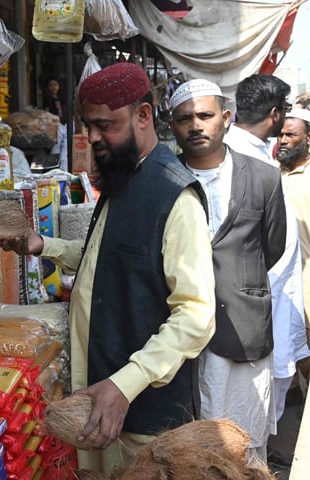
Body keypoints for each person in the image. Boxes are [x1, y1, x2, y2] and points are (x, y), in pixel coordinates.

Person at [0, 62, 216, 474]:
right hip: (99, 405)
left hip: (142, 423)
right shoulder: (124, 176)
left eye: (105, 125)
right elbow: (111, 258)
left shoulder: (175, 197)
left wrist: (124, 384)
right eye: (88, 125)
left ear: (143, 116)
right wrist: (44, 245)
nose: (93, 137)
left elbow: (196, 316)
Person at [169, 79, 287, 463]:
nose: (195, 125)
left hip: (243, 328)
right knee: (189, 449)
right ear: (172, 126)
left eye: (205, 115)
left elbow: (272, 247)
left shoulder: (264, 177)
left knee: (244, 442)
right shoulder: (162, 179)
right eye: (185, 118)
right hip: (178, 332)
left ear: (226, 118)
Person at [223, 74, 307, 465]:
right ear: (275, 114)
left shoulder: (253, 154)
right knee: (243, 412)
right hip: (253, 311)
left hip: (262, 306)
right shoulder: (242, 159)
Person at [275, 108, 310, 415]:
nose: (283, 140)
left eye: (291, 135)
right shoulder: (272, 173)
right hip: (280, 289)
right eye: (281, 134)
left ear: (307, 139)